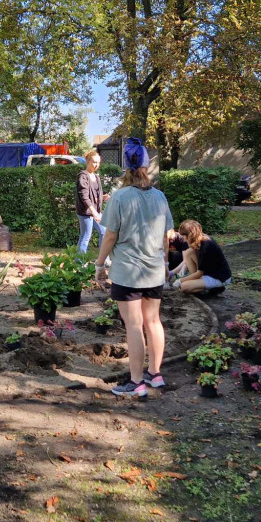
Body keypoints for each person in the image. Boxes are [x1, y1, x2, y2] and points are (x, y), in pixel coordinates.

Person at [95, 138, 173, 398]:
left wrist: (99, 265)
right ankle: (155, 374)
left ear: (125, 167)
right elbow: (166, 236)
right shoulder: (160, 196)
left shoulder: (119, 197)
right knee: (153, 321)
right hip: (153, 270)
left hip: (128, 271)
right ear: (147, 167)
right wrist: (164, 264)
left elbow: (109, 236)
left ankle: (136, 382)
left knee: (134, 325)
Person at [170, 220, 233, 294]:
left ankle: (212, 288)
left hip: (218, 277)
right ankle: (198, 284)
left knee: (184, 287)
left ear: (190, 235)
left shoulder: (207, 246)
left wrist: (180, 281)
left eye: (184, 235)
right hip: (208, 273)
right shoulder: (200, 241)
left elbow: (200, 273)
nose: (183, 238)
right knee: (188, 252)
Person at [76, 150, 108, 254]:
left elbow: (94, 195)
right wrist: (94, 213)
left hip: (96, 211)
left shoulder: (96, 177)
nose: (96, 165)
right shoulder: (83, 176)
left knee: (104, 232)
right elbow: (84, 197)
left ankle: (103, 260)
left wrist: (103, 197)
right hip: (86, 212)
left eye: (98, 162)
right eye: (94, 162)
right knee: (85, 237)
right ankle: (79, 263)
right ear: (88, 161)